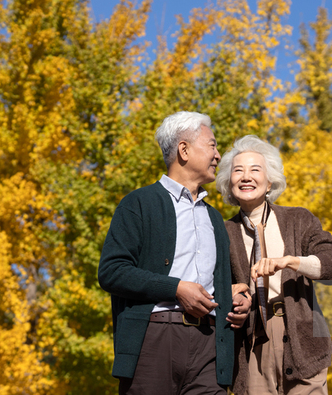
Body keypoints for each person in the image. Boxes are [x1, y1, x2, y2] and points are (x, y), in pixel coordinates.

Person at [98, 111, 251, 395]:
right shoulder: (138, 203)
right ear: (184, 149)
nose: (218, 155)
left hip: (210, 346)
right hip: (153, 341)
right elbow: (111, 271)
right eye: (212, 145)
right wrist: (176, 288)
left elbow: (213, 283)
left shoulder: (216, 218)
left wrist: (234, 300)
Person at [215, 135, 332, 395]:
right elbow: (217, 284)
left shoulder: (298, 219)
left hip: (303, 344)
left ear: (270, 180)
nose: (246, 176)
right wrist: (235, 295)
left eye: (255, 169)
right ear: (229, 183)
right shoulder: (223, 231)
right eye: (238, 171)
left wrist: (291, 262)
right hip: (253, 347)